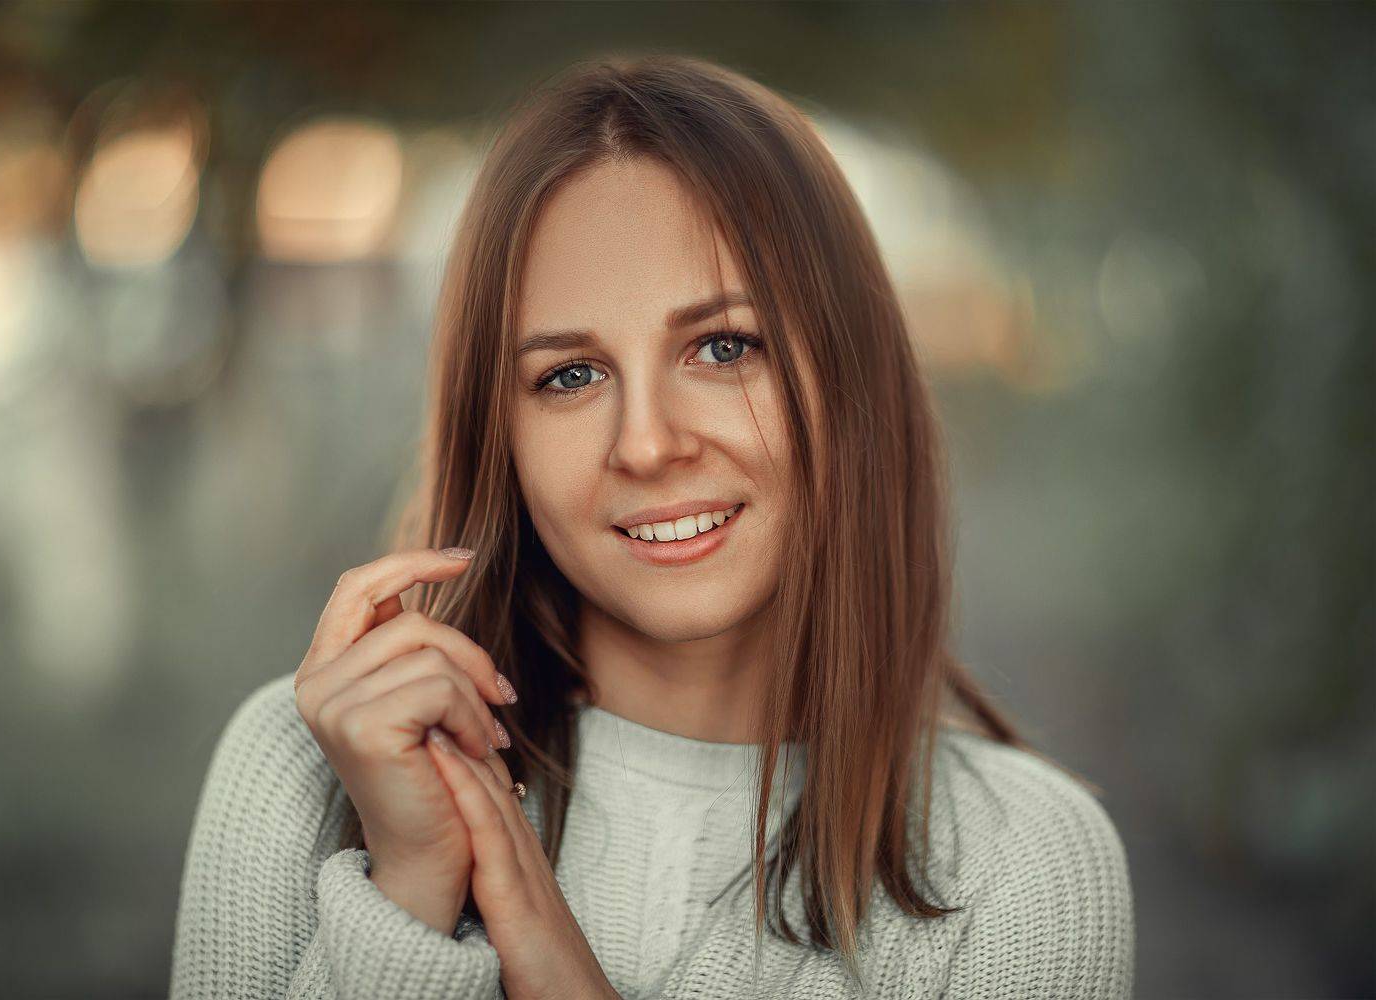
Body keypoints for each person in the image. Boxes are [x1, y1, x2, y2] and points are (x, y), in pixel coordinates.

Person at [168, 54, 1135, 1000]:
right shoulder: (306, 769)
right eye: (570, 376)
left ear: (852, 381)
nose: (645, 444)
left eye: (723, 347)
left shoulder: (1021, 865)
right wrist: (410, 891)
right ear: (498, 435)